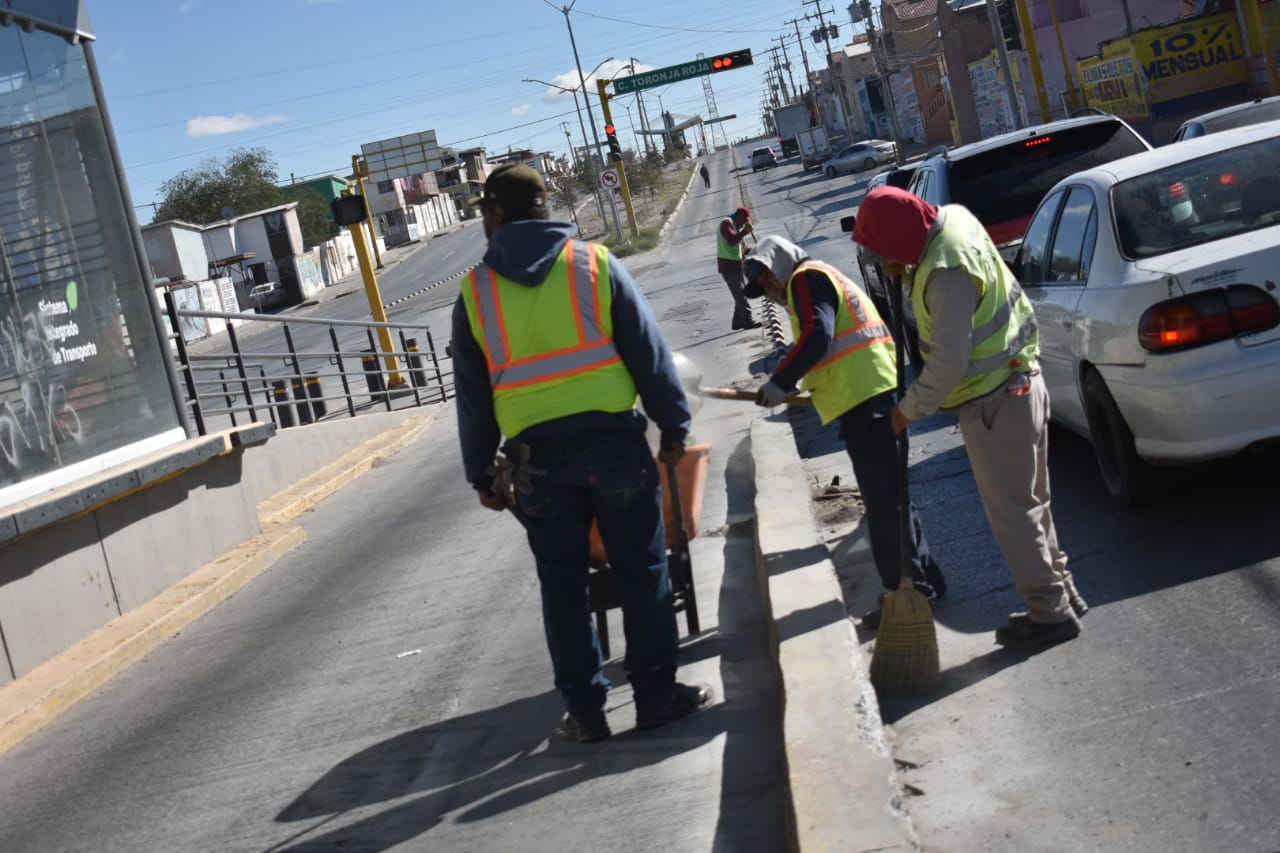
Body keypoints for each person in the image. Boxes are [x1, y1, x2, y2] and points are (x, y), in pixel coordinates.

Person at [452, 163, 711, 743]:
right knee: (643, 570)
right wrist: (673, 426)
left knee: (563, 584)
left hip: (534, 462)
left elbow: (472, 398)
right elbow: (649, 352)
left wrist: (482, 473)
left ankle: (588, 713)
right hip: (613, 446)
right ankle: (655, 696)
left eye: (483, 215)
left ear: (497, 214)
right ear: (545, 211)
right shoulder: (594, 265)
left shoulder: (476, 292)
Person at [852, 186, 1087, 650]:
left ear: (901, 239)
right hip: (1020, 380)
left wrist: (907, 411)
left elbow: (948, 362)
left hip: (995, 401)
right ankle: (1062, 594)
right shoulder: (954, 220)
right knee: (1032, 504)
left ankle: (1049, 613)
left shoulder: (946, 273)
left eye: (887, 257)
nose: (887, 267)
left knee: (1014, 514)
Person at [742, 235, 945, 626]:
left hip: (866, 400)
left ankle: (908, 592)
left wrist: (781, 381)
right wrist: (800, 381)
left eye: (767, 280)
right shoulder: (816, 278)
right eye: (764, 288)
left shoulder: (805, 278)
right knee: (893, 496)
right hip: (872, 395)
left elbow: (819, 334)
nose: (769, 291)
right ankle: (926, 581)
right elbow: (826, 342)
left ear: (781, 264)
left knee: (884, 503)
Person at [717, 206, 761, 331]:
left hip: (736, 265)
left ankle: (737, 322)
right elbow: (731, 241)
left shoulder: (736, 227)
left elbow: (743, 248)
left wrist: (757, 251)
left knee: (740, 295)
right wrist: (744, 232)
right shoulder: (726, 224)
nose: (744, 224)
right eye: (744, 220)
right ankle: (748, 322)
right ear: (739, 216)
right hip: (728, 266)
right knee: (741, 294)